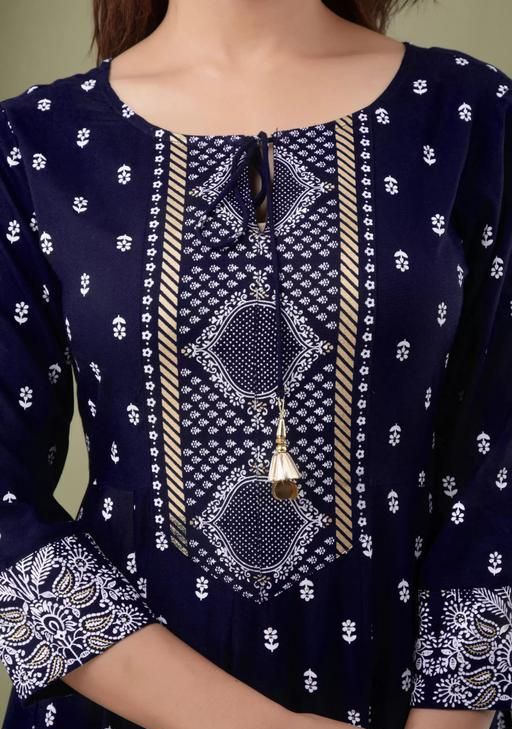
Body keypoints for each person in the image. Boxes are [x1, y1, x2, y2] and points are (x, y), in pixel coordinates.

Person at [0, 1, 511, 728]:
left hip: (405, 702)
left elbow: (499, 463)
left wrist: (449, 719)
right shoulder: (35, 141)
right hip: (117, 707)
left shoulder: (471, 116)